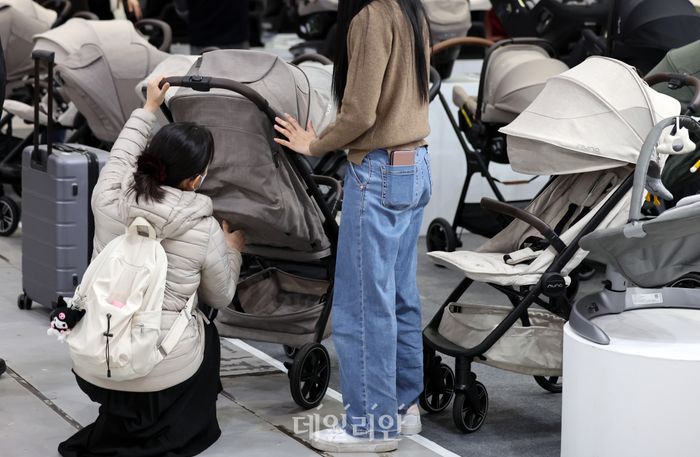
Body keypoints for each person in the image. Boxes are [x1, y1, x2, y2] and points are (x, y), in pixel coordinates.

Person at [274, 0, 432, 452]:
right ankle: (402, 410)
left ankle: (370, 426)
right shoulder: (407, 8)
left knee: (362, 306)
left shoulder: (369, 15)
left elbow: (361, 112)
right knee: (399, 298)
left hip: (379, 170)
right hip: (414, 164)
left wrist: (316, 142)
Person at [58, 77, 245, 457]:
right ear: (196, 178)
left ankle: (121, 415)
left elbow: (123, 154)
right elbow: (220, 295)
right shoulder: (202, 227)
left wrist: (148, 108)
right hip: (156, 369)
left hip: (93, 359)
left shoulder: (108, 195)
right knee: (205, 329)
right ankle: (172, 426)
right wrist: (232, 250)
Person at [174, 0, 250, 54]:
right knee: (239, 73)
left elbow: (182, 9)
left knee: (201, 73)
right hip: (236, 35)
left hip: (202, 35)